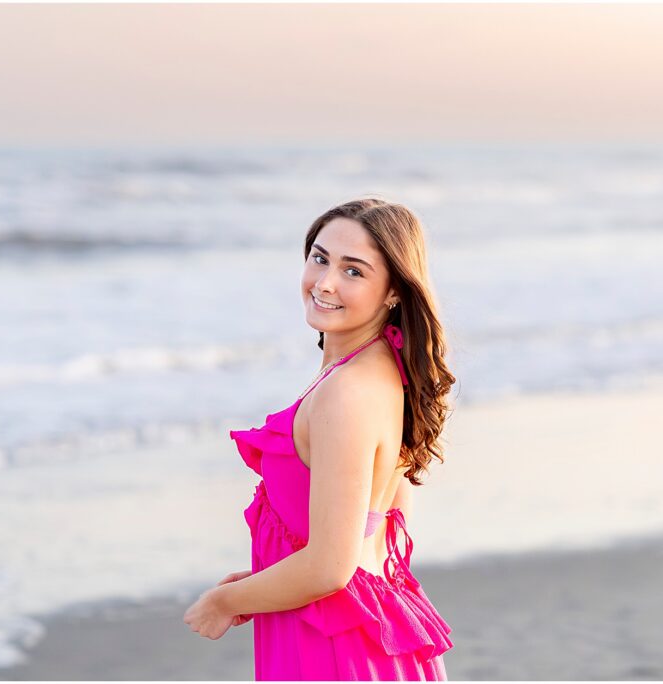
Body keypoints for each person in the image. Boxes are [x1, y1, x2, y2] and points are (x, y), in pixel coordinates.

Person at [183, 198, 457, 680]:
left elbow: (331, 567)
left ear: (394, 290)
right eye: (320, 257)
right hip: (363, 629)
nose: (325, 282)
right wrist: (270, 581)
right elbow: (384, 521)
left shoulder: (346, 394)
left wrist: (222, 601)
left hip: (335, 651)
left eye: (354, 271)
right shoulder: (385, 371)